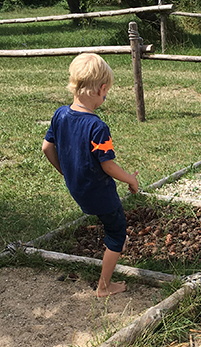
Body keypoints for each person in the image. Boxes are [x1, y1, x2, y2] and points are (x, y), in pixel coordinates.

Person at [42, 53, 140, 297]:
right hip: (99, 192)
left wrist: (66, 172)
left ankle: (113, 252)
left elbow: (46, 147)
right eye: (106, 92)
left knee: (109, 225)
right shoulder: (97, 127)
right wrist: (131, 178)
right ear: (102, 89)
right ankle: (104, 286)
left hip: (77, 188)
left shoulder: (60, 114)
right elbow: (108, 166)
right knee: (117, 231)